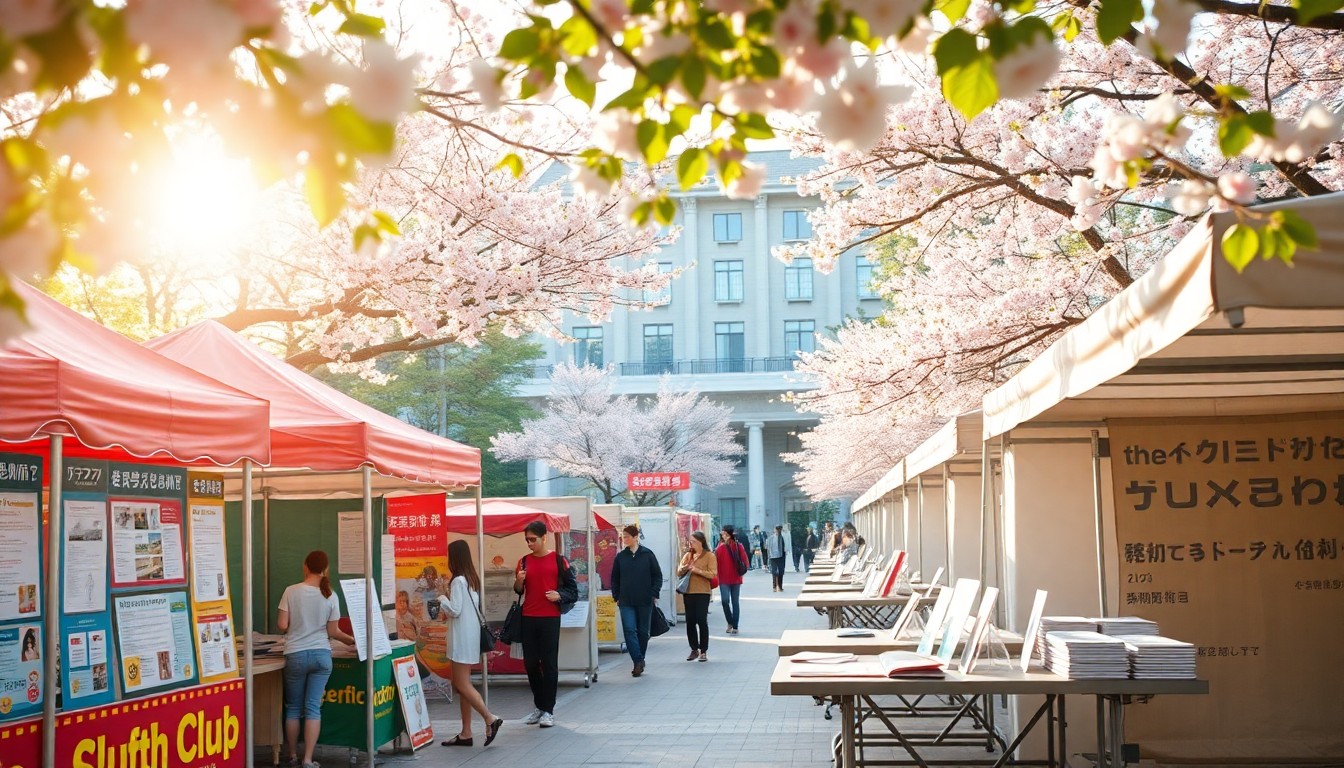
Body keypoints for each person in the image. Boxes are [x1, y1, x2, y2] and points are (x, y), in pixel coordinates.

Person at [277, 550, 356, 768]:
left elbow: (282, 625)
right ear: (326, 569)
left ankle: (292, 755)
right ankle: (308, 759)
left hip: (295, 654)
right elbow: (334, 631)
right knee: (313, 708)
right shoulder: (331, 594)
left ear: (305, 566)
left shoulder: (291, 591)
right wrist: (351, 641)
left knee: (293, 707)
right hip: (322, 656)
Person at [437, 540, 503, 748]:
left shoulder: (458, 581)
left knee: (461, 684)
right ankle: (466, 733)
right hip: (470, 638)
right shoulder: (471, 579)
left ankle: (490, 718)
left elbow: (455, 610)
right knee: (463, 686)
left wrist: (441, 597)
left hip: (461, 641)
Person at [513, 521, 574, 728]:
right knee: (530, 664)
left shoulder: (559, 560)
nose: (530, 543)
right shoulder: (523, 562)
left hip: (550, 618)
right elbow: (519, 591)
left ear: (543, 537)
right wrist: (519, 581)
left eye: (533, 539)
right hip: (528, 617)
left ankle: (548, 709)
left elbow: (573, 590)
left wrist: (560, 595)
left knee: (548, 664)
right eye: (527, 540)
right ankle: (539, 706)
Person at [609, 524, 662, 678]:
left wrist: (653, 593)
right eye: (622, 536)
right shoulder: (620, 557)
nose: (623, 539)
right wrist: (616, 596)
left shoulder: (647, 554)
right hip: (625, 601)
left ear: (635, 537)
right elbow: (615, 579)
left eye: (626, 536)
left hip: (645, 600)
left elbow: (657, 576)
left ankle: (640, 658)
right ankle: (637, 661)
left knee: (643, 632)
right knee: (629, 630)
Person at [676, 531, 717, 662]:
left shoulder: (709, 556)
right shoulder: (688, 555)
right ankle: (694, 648)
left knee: (701, 620)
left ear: (701, 542)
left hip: (703, 592)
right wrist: (684, 568)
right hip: (688, 592)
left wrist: (697, 570)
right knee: (690, 621)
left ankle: (704, 650)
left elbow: (712, 574)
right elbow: (678, 571)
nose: (691, 543)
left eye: (693, 541)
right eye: (690, 541)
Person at [714, 526, 748, 634]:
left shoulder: (738, 546)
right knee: (725, 601)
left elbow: (745, 561)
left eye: (726, 534)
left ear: (731, 535)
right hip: (723, 578)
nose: (724, 536)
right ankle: (730, 621)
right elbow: (714, 562)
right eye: (722, 534)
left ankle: (735, 626)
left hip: (736, 578)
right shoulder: (719, 548)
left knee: (735, 602)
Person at [766, 524, 788, 592]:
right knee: (774, 572)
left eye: (780, 529)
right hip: (773, 557)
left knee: (781, 571)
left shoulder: (783, 537)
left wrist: (786, 551)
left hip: (781, 556)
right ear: (774, 529)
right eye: (777, 529)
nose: (778, 530)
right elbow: (767, 547)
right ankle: (774, 586)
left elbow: (786, 545)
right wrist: (769, 555)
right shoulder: (771, 538)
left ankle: (780, 586)